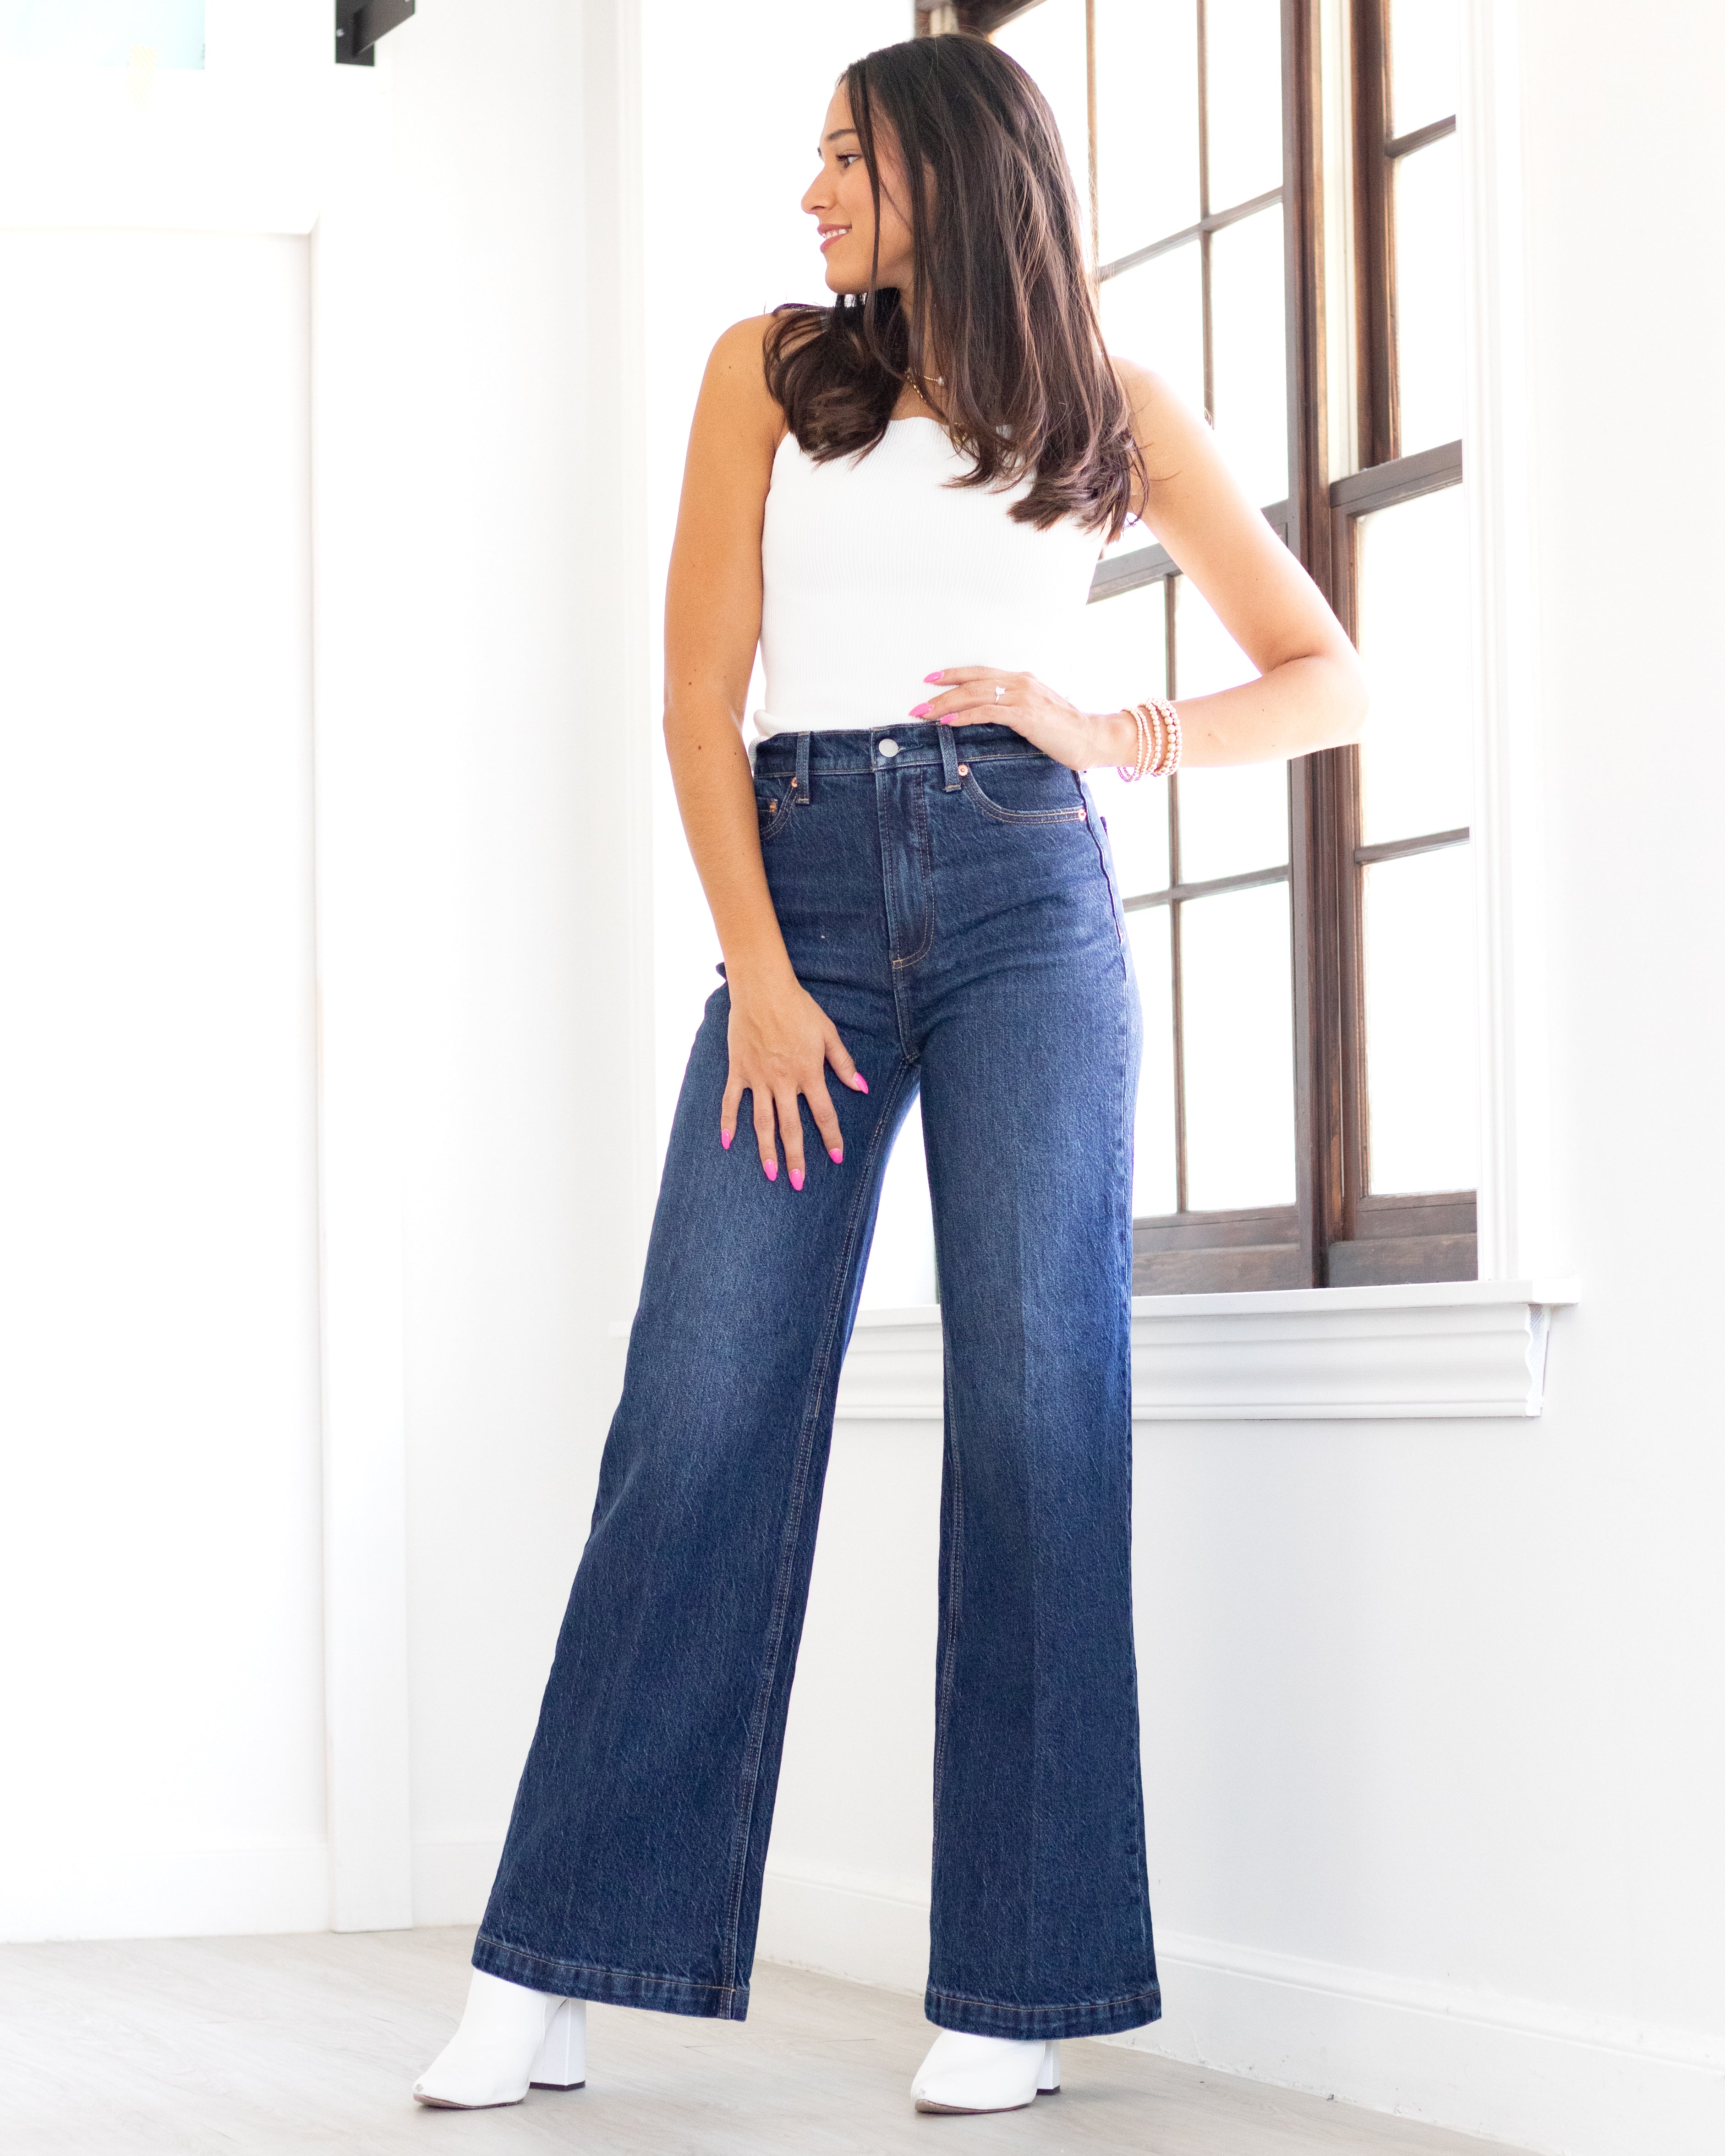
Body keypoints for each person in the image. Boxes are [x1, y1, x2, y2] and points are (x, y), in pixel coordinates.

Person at [413, 31, 1366, 2120]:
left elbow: (1327, 670)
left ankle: (1013, 1981)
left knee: (1044, 1415)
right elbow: (693, 691)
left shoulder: (1105, 407)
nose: (813, 189)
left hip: (1035, 906)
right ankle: (557, 1959)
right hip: (809, 902)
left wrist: (1118, 738)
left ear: (949, 168)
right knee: (699, 1404)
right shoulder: (768, 370)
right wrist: (758, 968)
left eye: (844, 155)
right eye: (817, 156)